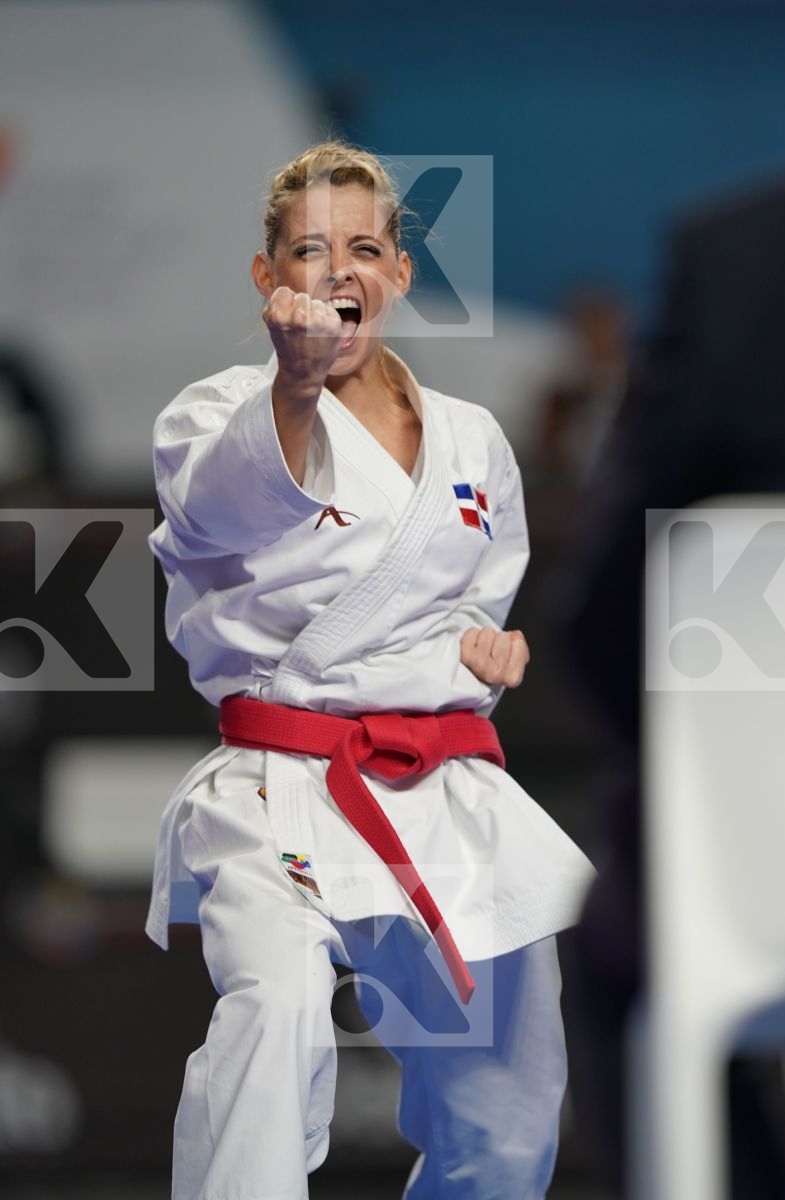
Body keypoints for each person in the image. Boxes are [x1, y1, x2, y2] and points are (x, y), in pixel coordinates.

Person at [146, 141, 594, 1200]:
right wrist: (295, 391)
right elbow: (218, 510)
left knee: (511, 1106)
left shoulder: (474, 440)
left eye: (362, 247)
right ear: (268, 278)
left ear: (397, 270)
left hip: (442, 790)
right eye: (307, 249)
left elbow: (475, 606)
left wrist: (489, 653)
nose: (336, 269)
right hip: (282, 790)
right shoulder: (211, 415)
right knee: (278, 1009)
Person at [558, 173, 785, 1198]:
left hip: (770, 869)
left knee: (629, 954)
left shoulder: (749, 258)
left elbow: (616, 600)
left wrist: (687, 757)